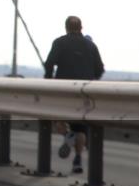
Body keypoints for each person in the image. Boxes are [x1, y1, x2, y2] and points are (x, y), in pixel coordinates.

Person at [44, 15, 105, 174]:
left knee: (55, 117)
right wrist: (92, 81)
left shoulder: (59, 42)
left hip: (63, 91)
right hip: (84, 91)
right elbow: (100, 68)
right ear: (81, 28)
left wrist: (49, 80)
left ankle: (67, 134)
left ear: (66, 28)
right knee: (81, 128)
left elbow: (49, 63)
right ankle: (77, 159)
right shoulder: (91, 46)